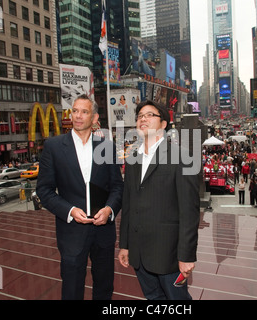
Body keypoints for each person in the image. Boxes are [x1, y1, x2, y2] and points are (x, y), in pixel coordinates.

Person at [36, 95, 124, 300]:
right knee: (72, 288)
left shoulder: (107, 147)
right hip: (71, 233)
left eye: (84, 112)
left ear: (94, 118)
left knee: (104, 287)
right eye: (74, 110)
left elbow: (117, 187)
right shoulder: (54, 146)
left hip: (103, 231)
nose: (77, 115)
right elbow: (44, 190)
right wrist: (70, 211)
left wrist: (109, 209)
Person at [118, 100, 200, 300]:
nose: (142, 119)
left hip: (169, 255)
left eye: (149, 115)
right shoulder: (132, 159)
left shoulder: (181, 157)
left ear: (163, 124)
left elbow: (189, 211)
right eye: (139, 116)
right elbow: (128, 205)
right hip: (139, 254)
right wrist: (125, 244)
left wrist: (187, 256)